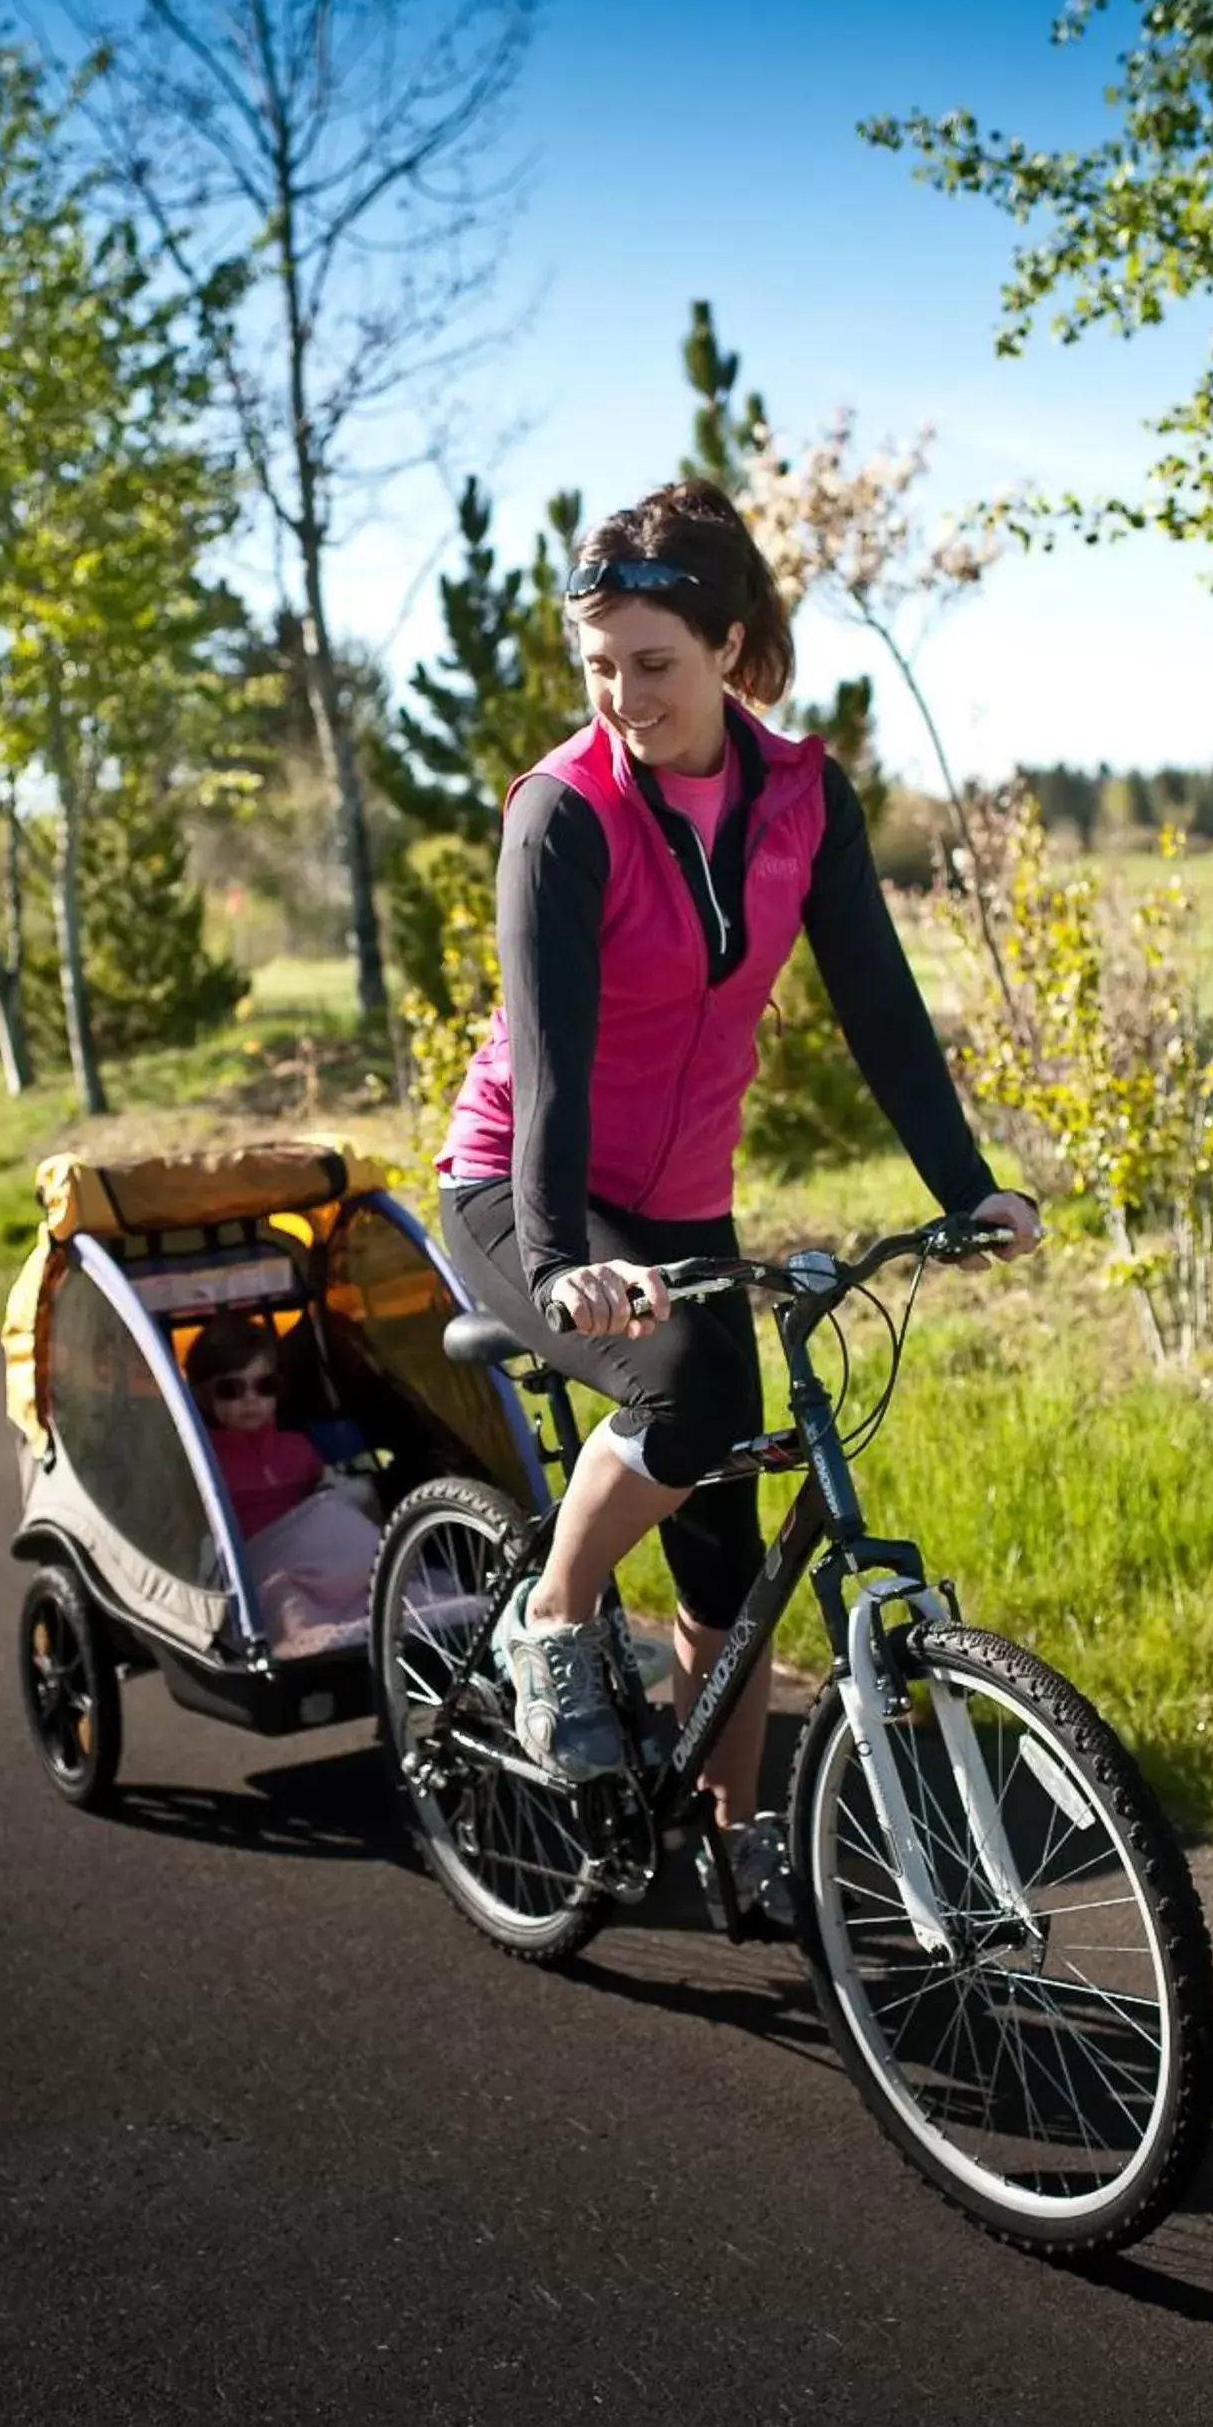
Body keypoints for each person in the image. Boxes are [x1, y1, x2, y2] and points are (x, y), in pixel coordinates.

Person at [435, 478, 1042, 1929]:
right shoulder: (562, 815)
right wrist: (568, 1259)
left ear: (729, 648)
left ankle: (732, 1836)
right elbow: (555, 1066)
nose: (624, 698)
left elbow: (881, 1011)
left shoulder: (800, 798)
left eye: (653, 665)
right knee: (695, 1396)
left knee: (725, 1525)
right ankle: (557, 1619)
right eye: (598, 669)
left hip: (681, 1203)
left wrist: (972, 1193)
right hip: (525, 1193)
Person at [186, 1315, 381, 1657]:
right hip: (261, 1570)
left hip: (317, 1566)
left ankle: (392, 1603)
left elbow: (325, 1508)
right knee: (283, 1593)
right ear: (204, 1397)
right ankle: (312, 1639)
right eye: (231, 1389)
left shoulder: (297, 1447)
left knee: (348, 1523)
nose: (250, 1399)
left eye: (265, 1386)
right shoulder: (205, 1460)